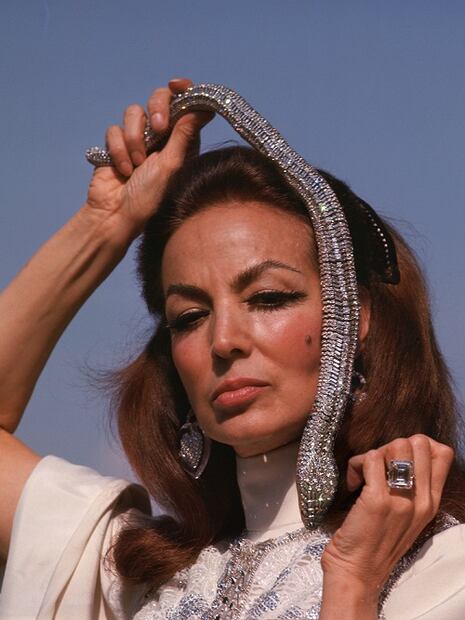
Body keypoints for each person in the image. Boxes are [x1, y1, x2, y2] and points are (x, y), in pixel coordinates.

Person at [0, 78, 464, 620]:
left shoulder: (443, 569)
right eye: (189, 317)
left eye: (268, 299)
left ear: (354, 316)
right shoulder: (134, 576)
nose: (223, 341)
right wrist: (104, 224)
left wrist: (354, 579)